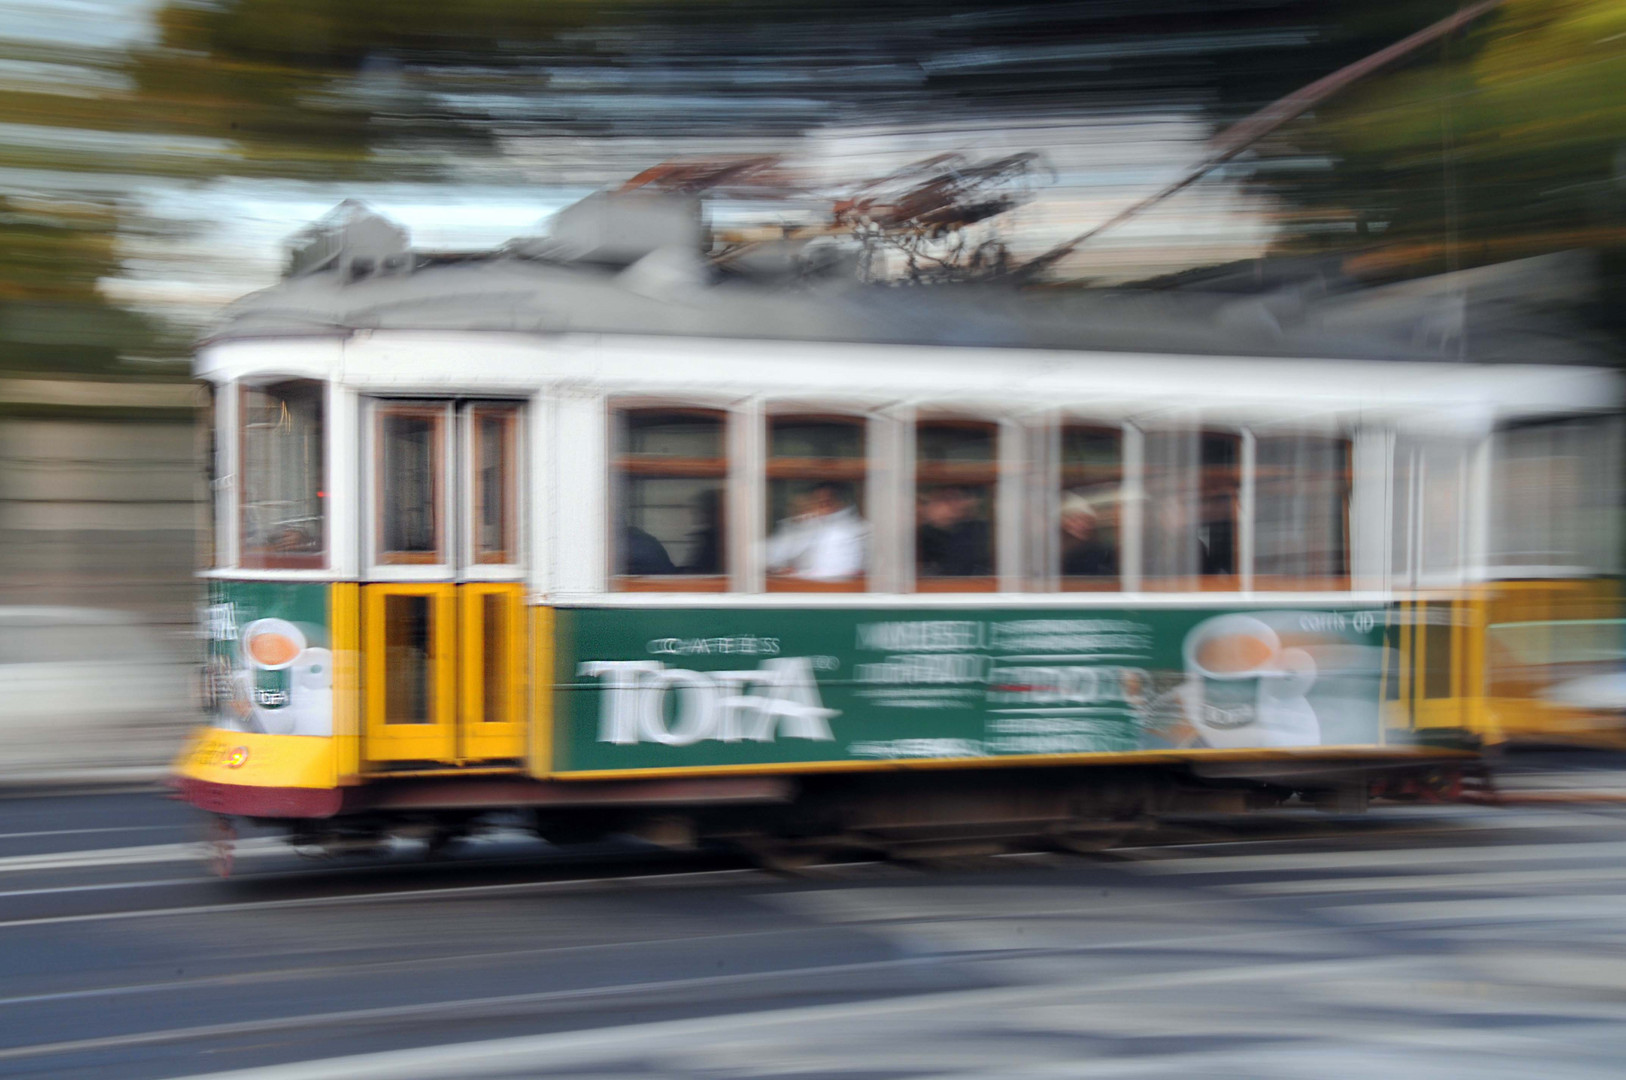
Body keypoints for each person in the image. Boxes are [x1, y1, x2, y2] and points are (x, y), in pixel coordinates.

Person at [767, 481, 867, 581]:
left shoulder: (853, 529)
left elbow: (838, 573)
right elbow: (772, 556)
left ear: (841, 503)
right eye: (817, 502)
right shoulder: (806, 524)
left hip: (839, 592)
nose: (820, 507)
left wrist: (795, 574)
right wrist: (780, 567)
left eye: (827, 502)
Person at [917, 485, 991, 577]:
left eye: (957, 499)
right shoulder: (919, 537)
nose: (953, 505)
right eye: (944, 499)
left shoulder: (981, 533)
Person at [1060, 492, 1117, 577]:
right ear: (1064, 522)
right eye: (1075, 519)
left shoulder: (1102, 552)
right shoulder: (1058, 550)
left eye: (1087, 520)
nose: (1082, 525)